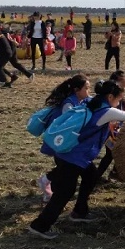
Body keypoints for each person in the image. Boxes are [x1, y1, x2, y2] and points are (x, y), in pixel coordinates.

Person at [29, 80, 125, 239]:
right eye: (118, 99)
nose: (118, 103)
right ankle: (40, 226)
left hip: (72, 155)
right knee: (65, 192)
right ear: (109, 96)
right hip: (72, 157)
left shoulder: (92, 103)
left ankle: (80, 211)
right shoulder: (106, 111)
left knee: (91, 175)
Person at [36, 74, 92, 203]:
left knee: (66, 169)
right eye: (87, 88)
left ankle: (48, 190)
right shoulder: (68, 105)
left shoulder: (79, 100)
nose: (89, 91)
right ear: (77, 90)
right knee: (67, 169)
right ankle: (46, 182)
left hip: (65, 142)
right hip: (61, 142)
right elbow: (69, 126)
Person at [97, 71, 125, 182]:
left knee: (114, 154)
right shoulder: (109, 98)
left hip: (117, 132)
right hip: (109, 133)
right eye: (123, 85)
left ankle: (111, 173)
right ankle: (98, 176)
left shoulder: (121, 98)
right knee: (111, 154)